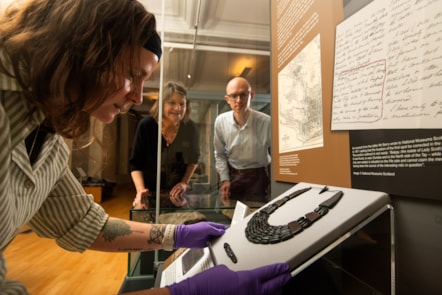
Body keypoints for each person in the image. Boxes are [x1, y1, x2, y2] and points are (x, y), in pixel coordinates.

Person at [0, 0, 291, 294]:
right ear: (85, 51)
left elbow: (84, 222)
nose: (138, 97)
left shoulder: (49, 142)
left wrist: (176, 234)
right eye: (131, 75)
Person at [130, 81, 199, 209]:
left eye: (182, 104)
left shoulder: (190, 127)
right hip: (149, 193)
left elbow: (194, 159)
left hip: (177, 195)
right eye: (172, 103)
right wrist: (141, 191)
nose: (178, 108)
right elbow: (135, 164)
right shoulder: (146, 125)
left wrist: (184, 182)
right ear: (162, 104)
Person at [214, 77, 272, 205]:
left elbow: (278, 157)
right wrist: (225, 179)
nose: (239, 100)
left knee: (258, 216)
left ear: (251, 95)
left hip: (259, 178)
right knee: (232, 216)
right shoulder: (221, 121)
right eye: (234, 96)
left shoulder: (267, 122)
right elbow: (219, 154)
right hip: (233, 176)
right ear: (227, 99)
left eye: (243, 95)